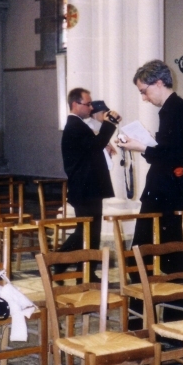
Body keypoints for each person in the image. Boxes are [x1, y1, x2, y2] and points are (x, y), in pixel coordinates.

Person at [119, 60, 183, 324]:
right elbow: (169, 152)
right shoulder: (176, 109)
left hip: (164, 193)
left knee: (141, 254)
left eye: (144, 90)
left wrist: (142, 147)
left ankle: (140, 322)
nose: (143, 97)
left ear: (159, 83)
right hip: (168, 191)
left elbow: (170, 155)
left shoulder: (175, 109)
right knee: (170, 255)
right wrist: (150, 145)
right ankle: (175, 320)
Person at [59, 89, 120, 254]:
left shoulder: (77, 126)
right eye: (87, 104)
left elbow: (92, 146)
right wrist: (109, 123)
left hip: (87, 188)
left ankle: (82, 269)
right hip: (85, 188)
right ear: (75, 104)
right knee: (87, 232)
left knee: (89, 231)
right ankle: (57, 261)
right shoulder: (75, 126)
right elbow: (95, 145)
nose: (91, 108)